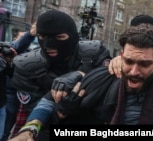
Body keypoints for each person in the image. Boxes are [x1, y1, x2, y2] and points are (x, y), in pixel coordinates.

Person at [8, 23, 153, 141]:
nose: (134, 71)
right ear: (121, 56)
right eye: (129, 61)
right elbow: (49, 100)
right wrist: (30, 128)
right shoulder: (103, 78)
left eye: (144, 64)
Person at [8, 10, 111, 140]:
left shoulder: (95, 53)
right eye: (42, 37)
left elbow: (107, 81)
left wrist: (80, 75)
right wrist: (59, 111)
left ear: (73, 36)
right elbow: (37, 111)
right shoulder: (27, 66)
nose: (49, 45)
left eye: (59, 37)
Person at [1, 23, 37, 141]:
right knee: (5, 129)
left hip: (22, 97)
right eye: (21, 37)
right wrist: (30, 35)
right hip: (8, 95)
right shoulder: (8, 50)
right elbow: (18, 46)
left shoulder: (29, 55)